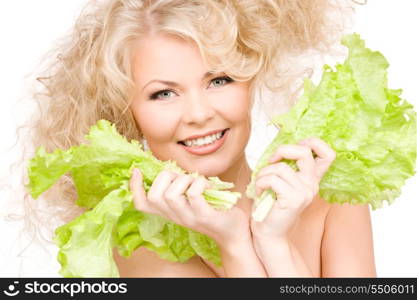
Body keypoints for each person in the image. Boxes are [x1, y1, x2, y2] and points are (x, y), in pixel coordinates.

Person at [25, 0, 376, 277]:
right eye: (163, 94)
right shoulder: (138, 244)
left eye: (219, 80)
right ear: (125, 113)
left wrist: (274, 242)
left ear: (251, 78)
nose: (198, 113)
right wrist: (235, 242)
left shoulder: (327, 197)